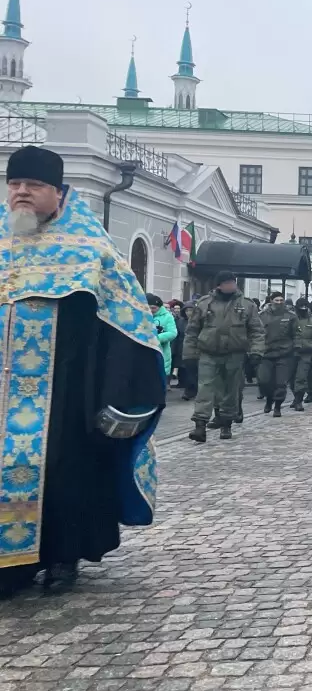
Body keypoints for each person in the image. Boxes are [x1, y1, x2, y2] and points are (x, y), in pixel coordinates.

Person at [0, 146, 167, 597]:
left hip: (65, 394)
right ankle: (9, 567)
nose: (20, 194)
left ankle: (60, 557)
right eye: (14, 185)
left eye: (33, 186)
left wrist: (120, 395)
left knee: (62, 476)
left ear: (57, 192)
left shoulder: (90, 249)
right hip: (1, 396)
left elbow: (130, 327)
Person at [185, 272, 263, 441]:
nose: (231, 285)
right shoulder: (205, 303)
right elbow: (192, 330)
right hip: (208, 352)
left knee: (231, 390)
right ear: (219, 285)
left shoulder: (247, 305)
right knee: (205, 388)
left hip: (234, 353)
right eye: (227, 282)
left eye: (233, 282)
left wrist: (256, 351)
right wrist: (189, 354)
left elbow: (256, 331)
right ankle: (200, 425)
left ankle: (226, 423)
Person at [257, 291, 297, 416]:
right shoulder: (262, 316)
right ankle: (269, 399)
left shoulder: (291, 316)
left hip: (284, 354)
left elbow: (296, 334)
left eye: (281, 300)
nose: (279, 303)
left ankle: (278, 406)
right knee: (264, 381)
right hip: (266, 354)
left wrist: (296, 348)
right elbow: (256, 333)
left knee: (280, 383)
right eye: (276, 300)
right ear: (271, 301)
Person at [290, 297, 312, 411]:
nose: (303, 309)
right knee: (291, 378)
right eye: (301, 307)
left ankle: (299, 400)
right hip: (290, 352)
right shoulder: (291, 319)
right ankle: (295, 397)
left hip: (306, 353)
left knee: (301, 377)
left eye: (305, 307)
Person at [148, 294, 178, 384]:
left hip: (161, 352)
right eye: (148, 308)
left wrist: (155, 338)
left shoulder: (167, 316)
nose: (151, 310)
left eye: (153, 308)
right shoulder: (142, 315)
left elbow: (172, 333)